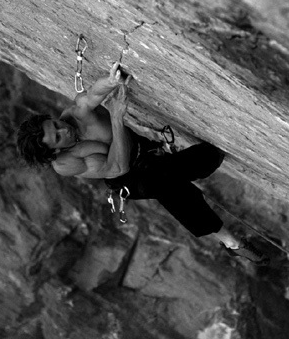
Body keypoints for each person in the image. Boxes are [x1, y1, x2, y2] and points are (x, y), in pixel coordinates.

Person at [17, 62, 269, 265]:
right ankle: (232, 242)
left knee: (207, 158)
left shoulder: (75, 117)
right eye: (58, 138)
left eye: (56, 126)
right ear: (53, 153)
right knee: (164, 184)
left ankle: (232, 243)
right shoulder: (65, 164)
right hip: (129, 180)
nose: (64, 131)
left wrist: (112, 79)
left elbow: (92, 95)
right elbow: (117, 168)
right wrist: (116, 119)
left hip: (143, 151)